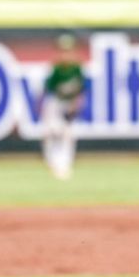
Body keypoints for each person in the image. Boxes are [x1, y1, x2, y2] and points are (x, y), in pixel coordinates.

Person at [41, 34, 85, 180]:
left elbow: (81, 90)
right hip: (55, 104)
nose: (66, 54)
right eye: (63, 51)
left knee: (68, 135)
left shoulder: (77, 68)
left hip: (69, 104)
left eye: (68, 50)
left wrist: (75, 105)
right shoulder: (57, 69)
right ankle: (51, 162)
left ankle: (65, 165)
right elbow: (49, 92)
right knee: (51, 132)